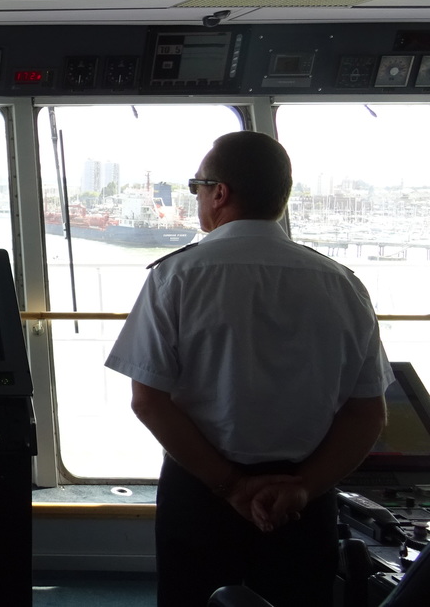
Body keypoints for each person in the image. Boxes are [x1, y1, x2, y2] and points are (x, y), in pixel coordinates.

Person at [105, 131, 392, 607]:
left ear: (220, 193)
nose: (197, 195)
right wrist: (303, 489)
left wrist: (231, 486)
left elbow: (148, 399)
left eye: (197, 185)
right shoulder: (344, 285)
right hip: (303, 500)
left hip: (201, 491)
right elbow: (368, 414)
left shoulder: (175, 276)